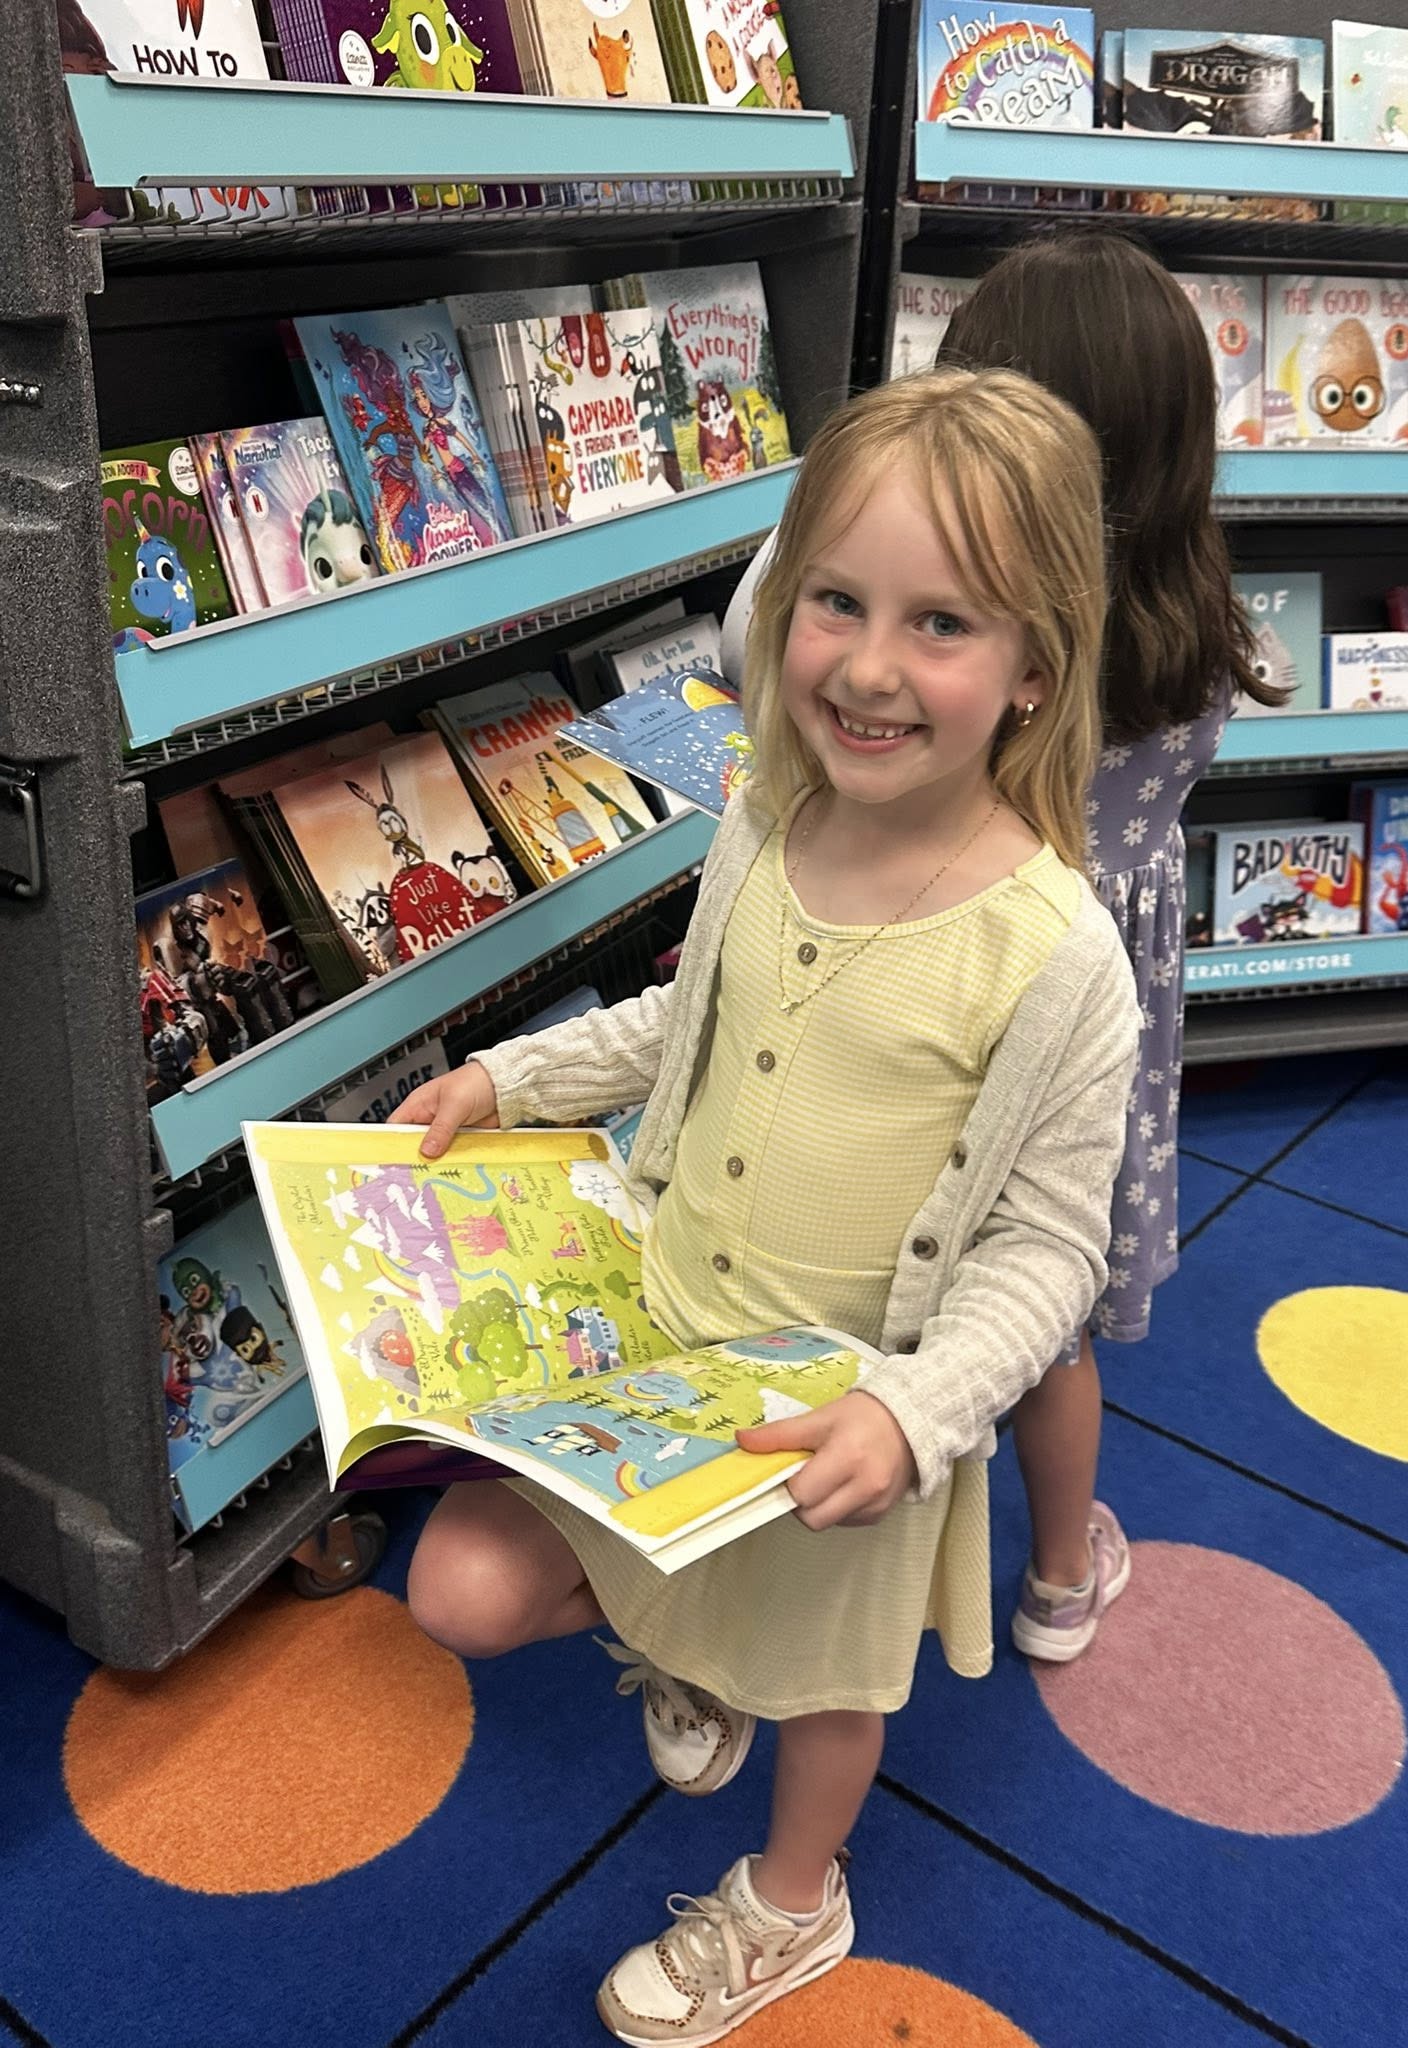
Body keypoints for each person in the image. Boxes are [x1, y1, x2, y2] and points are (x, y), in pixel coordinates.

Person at [392, 368, 1139, 2045]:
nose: (869, 666)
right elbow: (686, 1024)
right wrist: (518, 1080)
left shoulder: (1056, 952)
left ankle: (795, 1903)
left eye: (941, 622)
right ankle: (684, 1641)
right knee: (459, 1592)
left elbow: (1047, 1249)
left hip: (837, 1409)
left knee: (822, 1690)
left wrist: (920, 1408)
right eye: (836, 601)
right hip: (656, 1341)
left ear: (1036, 667)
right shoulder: (762, 815)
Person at [721, 226, 1278, 1668]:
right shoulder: (1194, 625)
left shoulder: (997, 650)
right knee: (1052, 1307)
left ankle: (752, 1576)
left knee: (850, 1269)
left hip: (919, 978)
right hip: (1093, 1010)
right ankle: (1056, 1579)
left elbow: (747, 642)